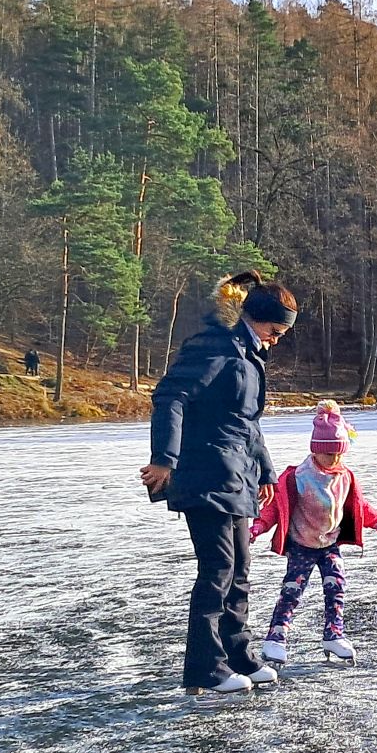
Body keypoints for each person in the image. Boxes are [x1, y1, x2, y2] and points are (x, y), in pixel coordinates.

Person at [141, 272, 297, 695]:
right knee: (217, 571)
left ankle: (237, 655)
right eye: (275, 330)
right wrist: (164, 460)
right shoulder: (215, 346)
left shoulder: (248, 355)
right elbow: (170, 398)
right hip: (204, 471)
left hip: (236, 476)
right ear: (253, 317)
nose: (277, 339)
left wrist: (264, 471)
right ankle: (205, 669)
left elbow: (247, 423)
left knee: (240, 571)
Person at [250, 400, 377, 665]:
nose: (334, 460)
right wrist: (258, 526)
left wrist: (376, 521)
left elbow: (358, 505)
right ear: (315, 450)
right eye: (328, 454)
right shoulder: (298, 477)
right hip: (302, 543)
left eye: (338, 454)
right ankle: (275, 638)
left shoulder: (345, 475)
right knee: (292, 591)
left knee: (336, 586)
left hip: (329, 543)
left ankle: (333, 634)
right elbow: (275, 508)